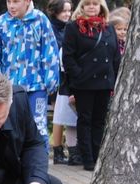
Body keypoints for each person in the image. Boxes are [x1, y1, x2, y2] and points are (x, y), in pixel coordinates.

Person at [0, 0, 60, 153]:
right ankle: (13, 162)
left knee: (38, 124)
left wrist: (50, 81)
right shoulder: (1, 22)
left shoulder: (40, 20)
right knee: (10, 124)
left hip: (36, 85)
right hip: (10, 86)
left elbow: (50, 51)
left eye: (16, 1)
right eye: (9, 1)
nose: (11, 5)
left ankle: (40, 164)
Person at [62, 0, 120, 171]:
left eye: (95, 3)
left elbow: (115, 55)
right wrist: (78, 75)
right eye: (88, 4)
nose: (92, 7)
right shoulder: (74, 27)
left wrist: (115, 79)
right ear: (82, 6)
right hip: (84, 83)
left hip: (104, 82)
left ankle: (98, 156)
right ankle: (87, 159)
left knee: (100, 121)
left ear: (101, 6)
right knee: (85, 120)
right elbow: (68, 56)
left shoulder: (108, 28)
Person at [47, 0, 81, 165]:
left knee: (64, 115)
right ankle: (57, 149)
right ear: (55, 12)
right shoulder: (50, 29)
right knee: (58, 116)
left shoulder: (69, 28)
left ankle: (66, 147)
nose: (67, 14)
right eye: (64, 11)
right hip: (55, 75)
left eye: (69, 10)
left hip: (65, 74)